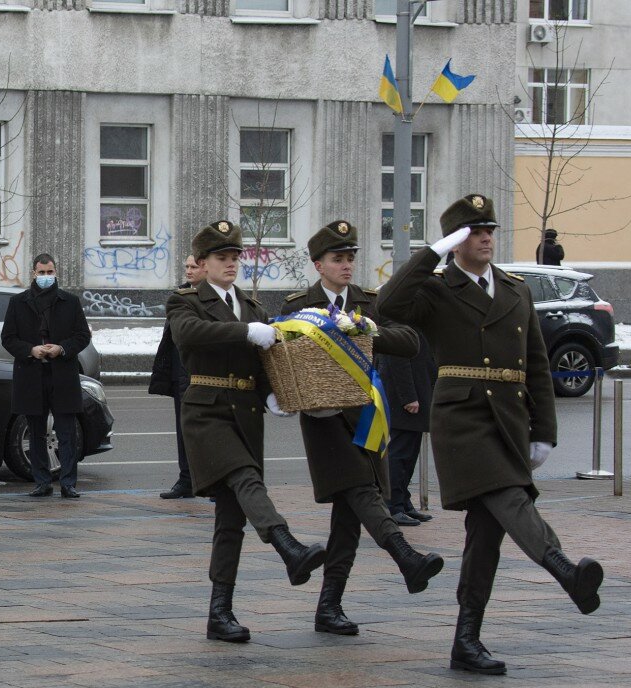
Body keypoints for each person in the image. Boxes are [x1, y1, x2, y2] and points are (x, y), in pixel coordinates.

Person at [378, 193, 604, 675]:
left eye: (488, 230)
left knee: (486, 535)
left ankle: (466, 640)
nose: (484, 238)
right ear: (457, 241)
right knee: (509, 494)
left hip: (508, 418)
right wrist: (432, 252)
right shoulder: (438, 289)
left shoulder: (516, 289)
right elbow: (388, 304)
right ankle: (563, 569)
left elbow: (539, 364)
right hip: (461, 418)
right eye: (473, 232)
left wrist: (544, 430)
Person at [279, 221, 442, 637]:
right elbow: (277, 355)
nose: (347, 265)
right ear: (318, 264)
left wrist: (371, 331)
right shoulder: (299, 306)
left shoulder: (368, 303)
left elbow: (410, 342)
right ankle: (405, 556)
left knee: (348, 518)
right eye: (338, 259)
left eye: (351, 257)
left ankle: (329, 607)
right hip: (324, 420)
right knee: (360, 491)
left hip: (366, 418)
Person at [167, 220, 326, 644]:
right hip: (206, 412)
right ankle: (287, 545)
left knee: (231, 517)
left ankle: (220, 613)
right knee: (244, 477)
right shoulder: (186, 302)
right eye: (222, 258)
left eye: (235, 258)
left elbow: (264, 363)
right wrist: (244, 332)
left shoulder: (252, 307)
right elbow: (189, 335)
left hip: (245, 414)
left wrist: (274, 393)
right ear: (202, 263)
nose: (231, 265)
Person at [1, 254, 92, 498]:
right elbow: (8, 338)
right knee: (36, 431)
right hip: (31, 374)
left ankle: (68, 482)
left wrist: (62, 348)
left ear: (55, 272)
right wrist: (30, 350)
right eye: (41, 273)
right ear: (33, 273)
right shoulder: (18, 302)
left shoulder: (69, 302)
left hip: (62, 374)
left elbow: (83, 335)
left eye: (49, 272)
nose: (45, 277)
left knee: (66, 432)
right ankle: (41, 481)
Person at [149, 254, 207, 499]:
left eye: (194, 266)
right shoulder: (180, 297)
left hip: (206, 375)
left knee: (209, 431)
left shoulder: (215, 299)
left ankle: (211, 481)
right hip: (181, 375)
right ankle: (186, 480)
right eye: (186, 266)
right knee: (184, 430)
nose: (189, 271)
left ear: (206, 268)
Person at [376, 332, 436, 527]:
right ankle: (392, 505)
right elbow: (397, 359)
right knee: (399, 453)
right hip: (405, 397)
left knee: (409, 452)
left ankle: (402, 501)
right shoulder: (400, 318)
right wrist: (408, 396)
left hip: (418, 390)